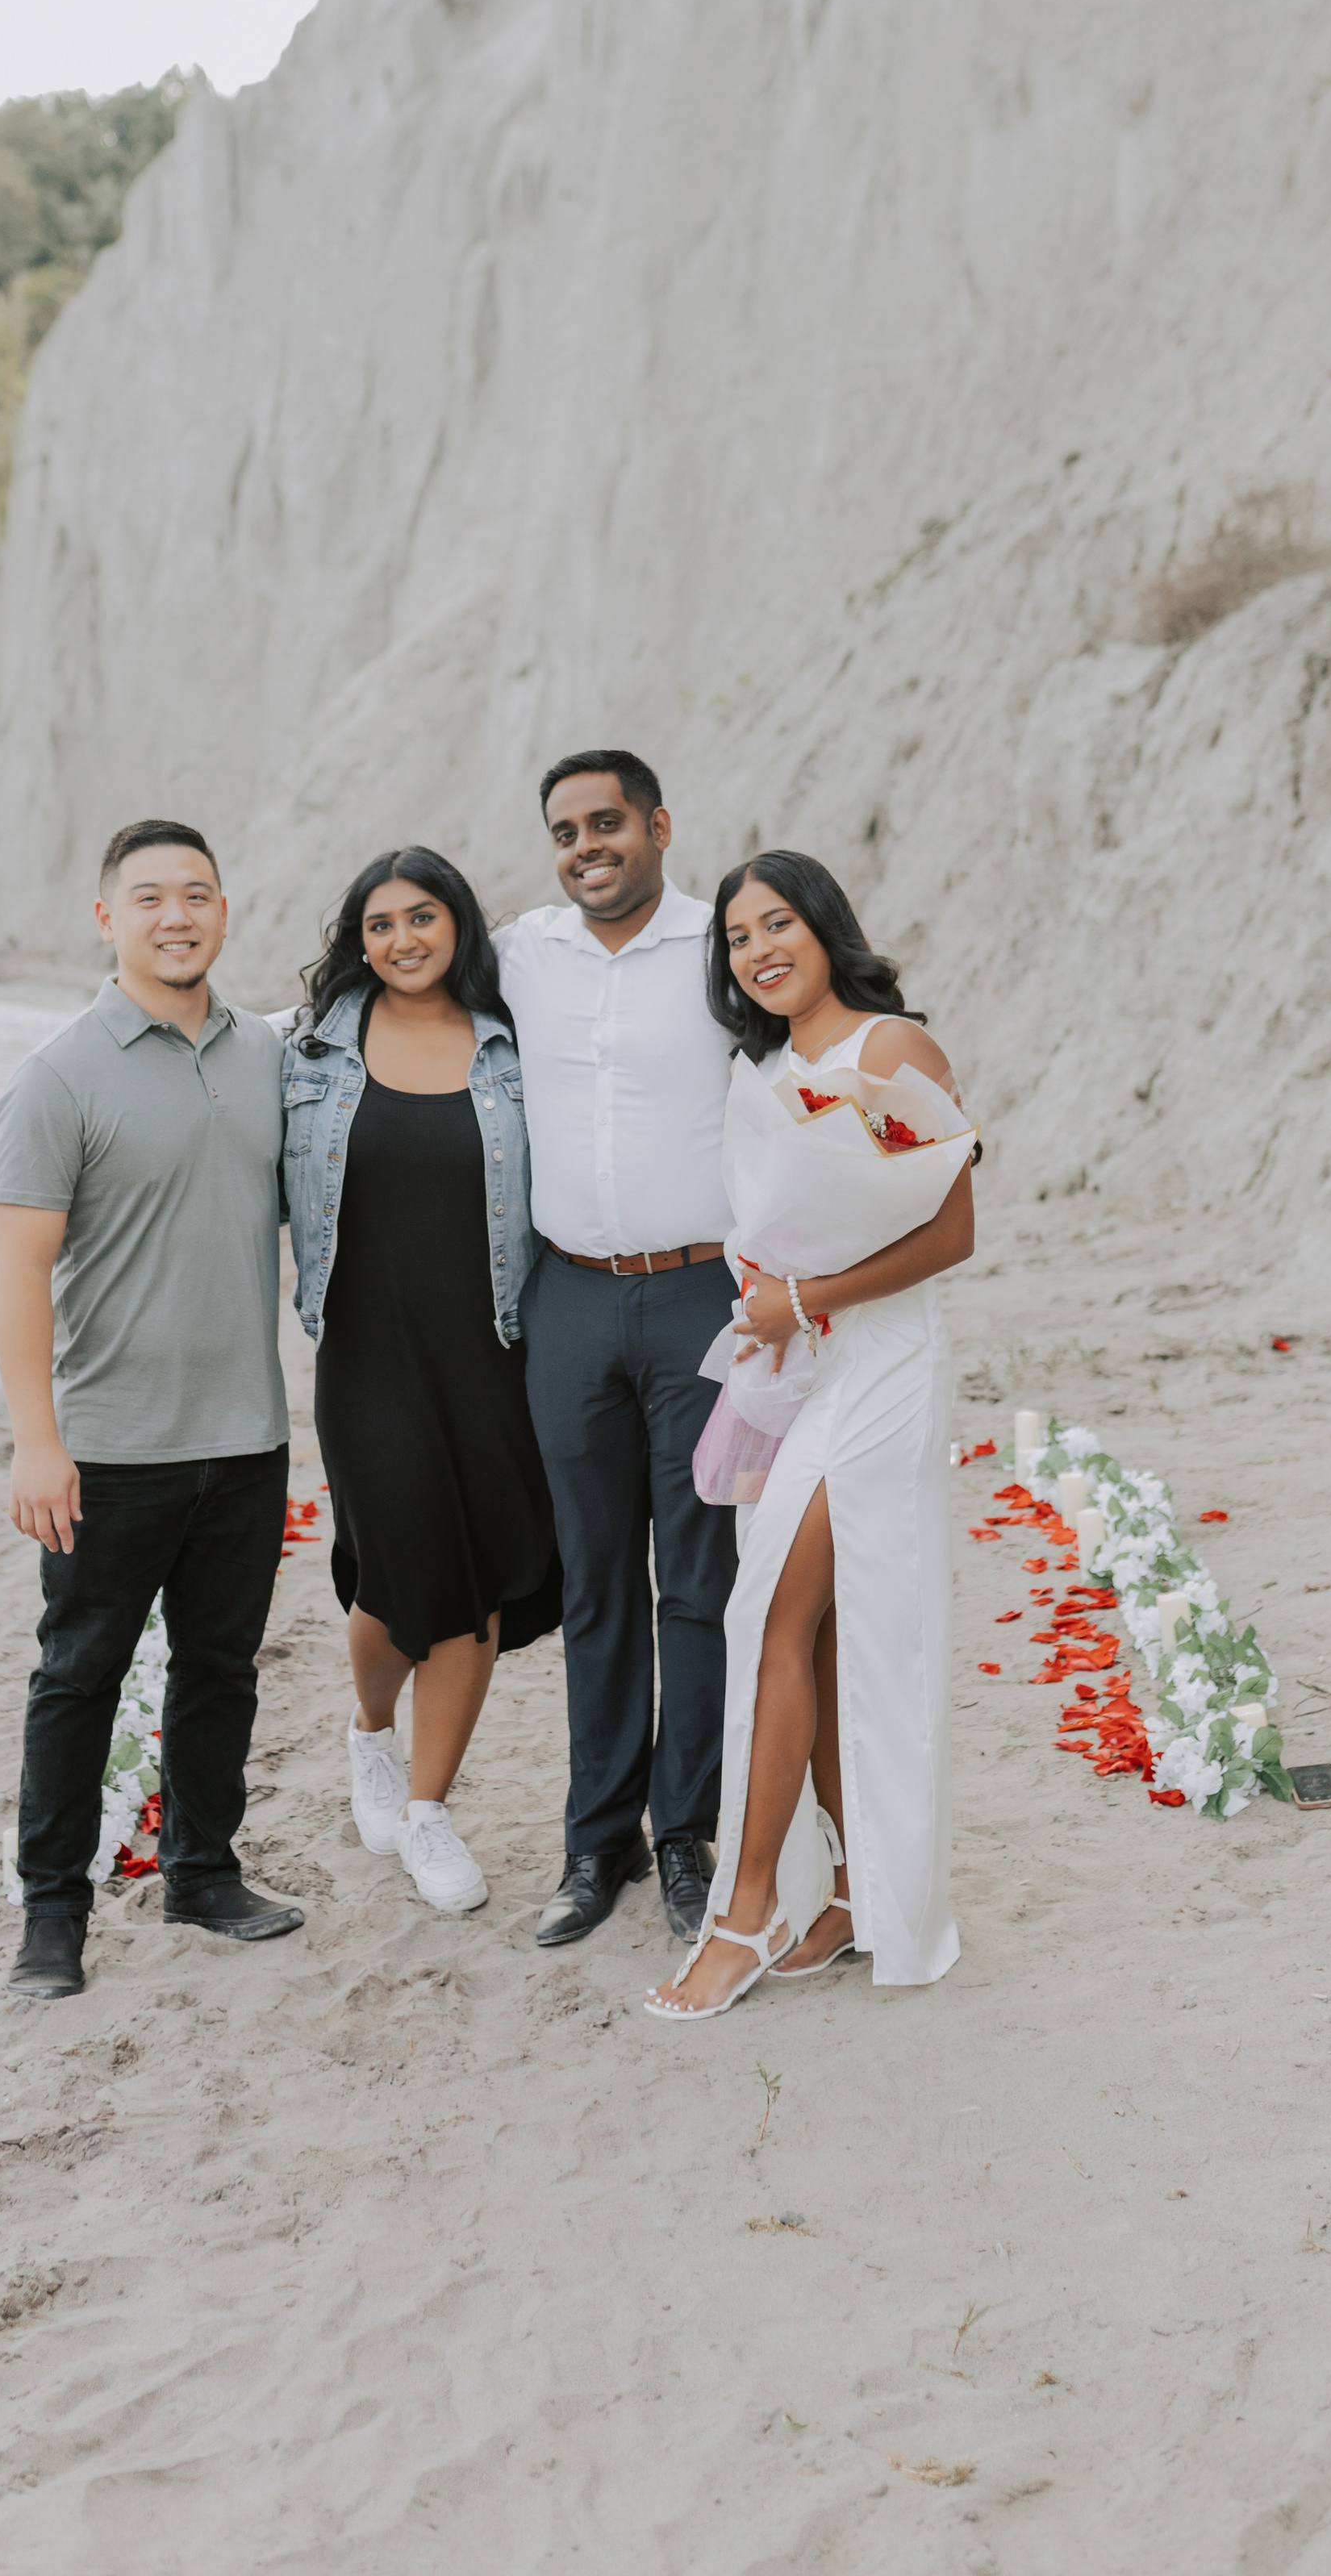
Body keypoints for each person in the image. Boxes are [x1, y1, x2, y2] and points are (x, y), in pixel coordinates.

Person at [645, 851, 975, 2020]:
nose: (758, 949)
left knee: (770, 1611)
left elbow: (952, 1235)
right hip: (806, 1369)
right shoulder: (768, 1070)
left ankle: (746, 1911)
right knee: (826, 1634)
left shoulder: (891, 1052)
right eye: (737, 937)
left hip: (884, 1368)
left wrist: (809, 1298)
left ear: (824, 925)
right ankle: (841, 1892)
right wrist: (769, 1285)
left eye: (777, 922)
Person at [0, 818, 302, 2003]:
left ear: (226, 912)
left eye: (201, 894)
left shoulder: (267, 1055)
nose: (180, 914)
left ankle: (204, 1873)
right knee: (80, 1676)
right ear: (107, 916)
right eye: (153, 896)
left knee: (222, 1669)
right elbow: (20, 1274)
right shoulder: (58, 1075)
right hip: (111, 1449)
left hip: (248, 1434)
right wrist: (36, 1441)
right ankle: (51, 1917)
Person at [494, 749, 740, 1949]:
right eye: (565, 830)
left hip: (701, 1294)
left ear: (658, 825)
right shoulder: (520, 952)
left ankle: (684, 1831)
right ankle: (598, 1844)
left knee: (696, 1582)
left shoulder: (718, 945)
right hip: (570, 1303)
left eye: (608, 824)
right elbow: (391, 992)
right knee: (595, 1583)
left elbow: (823, 1034)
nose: (587, 846)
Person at [284, 849, 559, 1917]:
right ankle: (368, 1734)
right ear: (359, 940)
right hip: (365, 1357)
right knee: (395, 1577)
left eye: (424, 916)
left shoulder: (512, 1047)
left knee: (475, 1582)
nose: (404, 939)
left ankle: (428, 1809)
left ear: (459, 926)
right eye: (382, 922)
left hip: (492, 1352)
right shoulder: (306, 1050)